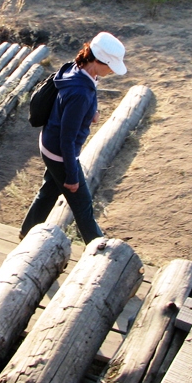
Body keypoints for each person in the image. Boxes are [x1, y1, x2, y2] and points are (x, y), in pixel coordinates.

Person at [20, 32, 127, 243]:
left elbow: (68, 107)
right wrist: (71, 176)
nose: (113, 70)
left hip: (48, 143)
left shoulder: (76, 68)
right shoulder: (80, 92)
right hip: (60, 153)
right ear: (97, 60)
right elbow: (67, 139)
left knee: (49, 191)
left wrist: (90, 113)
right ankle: (99, 251)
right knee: (83, 206)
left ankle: (26, 231)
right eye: (111, 65)